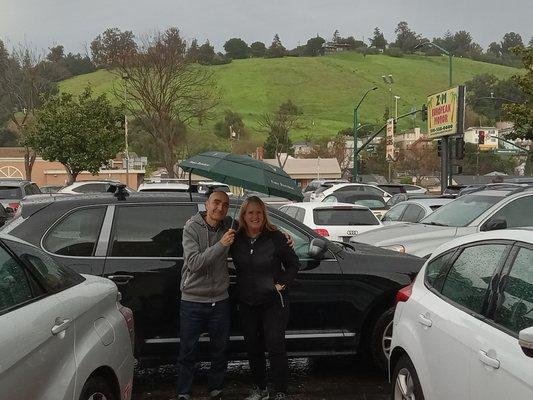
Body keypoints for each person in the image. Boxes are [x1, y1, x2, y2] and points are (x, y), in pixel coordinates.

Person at [231, 196, 300, 400]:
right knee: (253, 347)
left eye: (259, 212)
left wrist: (280, 285)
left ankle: (280, 391)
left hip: (273, 302)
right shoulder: (236, 237)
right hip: (246, 302)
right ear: (243, 215)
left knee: (275, 345)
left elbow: (294, 264)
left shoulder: (276, 237)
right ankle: (260, 389)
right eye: (250, 212)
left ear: (264, 214)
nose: (255, 216)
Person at [177, 190, 235, 400]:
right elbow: (194, 263)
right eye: (216, 203)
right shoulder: (191, 228)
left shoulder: (229, 226)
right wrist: (222, 245)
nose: (220, 208)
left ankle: (216, 388)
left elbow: (258, 230)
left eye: (225, 205)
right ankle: (184, 391)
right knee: (187, 351)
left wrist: (285, 237)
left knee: (220, 349)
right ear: (206, 204)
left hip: (220, 299)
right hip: (193, 299)